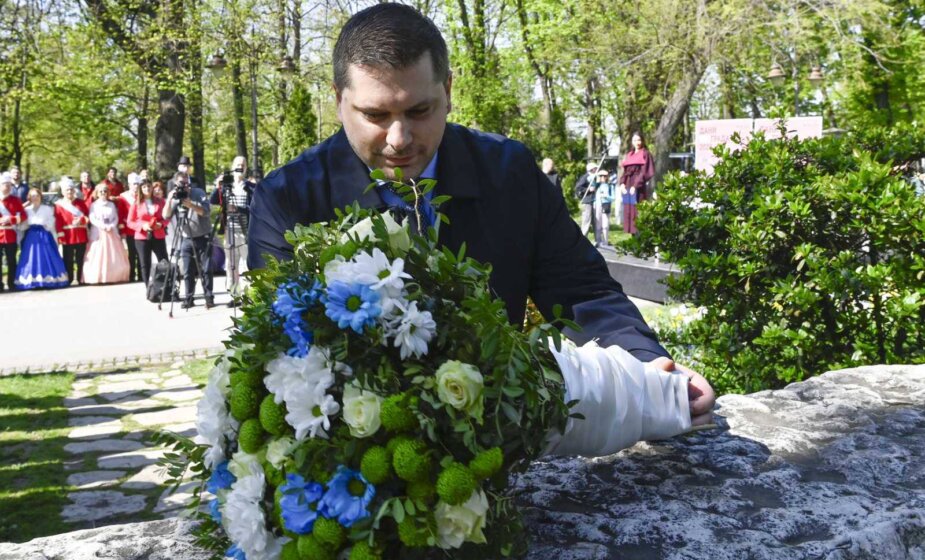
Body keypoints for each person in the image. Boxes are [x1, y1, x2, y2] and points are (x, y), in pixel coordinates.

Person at [247, 4, 714, 427]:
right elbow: (290, 350)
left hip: (499, 435)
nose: (399, 138)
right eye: (375, 114)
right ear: (338, 100)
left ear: (448, 90)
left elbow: (582, 291)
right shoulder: (288, 201)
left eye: (419, 110)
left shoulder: (509, 172)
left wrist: (646, 364)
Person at [163, 172, 213, 308]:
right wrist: (169, 199)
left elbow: (206, 212)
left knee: (206, 269)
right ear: (175, 184)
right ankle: (189, 298)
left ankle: (209, 298)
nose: (184, 186)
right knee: (187, 270)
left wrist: (190, 205)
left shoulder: (199, 192)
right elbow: (165, 215)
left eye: (186, 183)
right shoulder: (175, 196)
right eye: (181, 183)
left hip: (203, 236)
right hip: (186, 238)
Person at [211, 156, 254, 305]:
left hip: (246, 231)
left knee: (248, 265)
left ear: (246, 167)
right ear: (233, 166)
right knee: (231, 265)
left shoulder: (250, 187)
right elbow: (213, 200)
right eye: (237, 164)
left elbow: (255, 208)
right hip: (230, 231)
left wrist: (239, 209)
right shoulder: (226, 187)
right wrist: (218, 184)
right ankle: (235, 296)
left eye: (243, 165)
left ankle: (250, 296)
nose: (240, 167)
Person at [15, 188, 69, 290]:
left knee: (47, 256)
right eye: (33, 196)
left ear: (41, 196)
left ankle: (49, 279)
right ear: (29, 198)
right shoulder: (26, 210)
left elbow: (51, 221)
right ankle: (32, 280)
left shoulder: (47, 209)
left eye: (37, 195)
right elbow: (23, 224)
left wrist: (44, 225)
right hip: (31, 236)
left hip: (44, 235)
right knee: (30, 257)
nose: (35, 198)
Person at [83, 183, 130, 284]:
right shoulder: (94, 205)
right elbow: (92, 218)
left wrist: (112, 225)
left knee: (114, 254)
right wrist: (102, 226)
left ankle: (114, 275)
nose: (103, 193)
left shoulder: (111, 204)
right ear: (97, 193)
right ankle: (98, 276)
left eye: (105, 191)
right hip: (98, 232)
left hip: (110, 231)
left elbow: (115, 217)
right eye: (101, 191)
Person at [128, 180, 168, 287]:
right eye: (144, 187)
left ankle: (166, 286)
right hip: (142, 237)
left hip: (158, 234)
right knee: (145, 264)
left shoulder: (160, 201)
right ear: (141, 189)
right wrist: (142, 226)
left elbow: (167, 216)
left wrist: (162, 224)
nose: (147, 189)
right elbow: (130, 222)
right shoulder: (136, 203)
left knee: (164, 261)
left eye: (149, 186)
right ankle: (149, 288)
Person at [54, 177, 91, 285]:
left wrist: (82, 220)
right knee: (68, 259)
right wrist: (61, 236)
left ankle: (81, 278)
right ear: (63, 192)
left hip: (80, 234)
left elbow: (88, 217)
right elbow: (58, 222)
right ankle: (69, 279)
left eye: (71, 189)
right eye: (67, 190)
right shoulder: (58, 205)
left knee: (81, 259)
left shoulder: (80, 203)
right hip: (68, 236)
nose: (69, 192)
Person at [620, 132, 655, 235]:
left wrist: (635, 186)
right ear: (632, 142)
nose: (637, 142)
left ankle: (640, 237)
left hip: (638, 187)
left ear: (643, 141)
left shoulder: (645, 153)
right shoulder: (629, 154)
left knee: (637, 211)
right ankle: (633, 237)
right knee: (629, 211)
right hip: (628, 186)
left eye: (639, 140)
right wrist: (622, 183)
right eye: (635, 140)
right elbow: (625, 171)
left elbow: (645, 172)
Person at [0, 172, 27, 292]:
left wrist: (11, 219)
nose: (7, 187)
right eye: (5, 184)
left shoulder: (15, 200)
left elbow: (23, 215)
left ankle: (12, 283)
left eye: (9, 185)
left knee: (12, 260)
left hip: (11, 235)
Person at [118, 174, 142, 282]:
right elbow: (121, 214)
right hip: (129, 229)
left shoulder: (142, 196)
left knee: (141, 253)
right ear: (129, 185)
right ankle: (131, 275)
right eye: (134, 184)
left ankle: (142, 275)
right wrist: (122, 231)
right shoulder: (123, 197)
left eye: (138, 184)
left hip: (141, 229)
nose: (136, 186)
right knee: (131, 254)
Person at [574, 162, 598, 237]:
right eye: (595, 168)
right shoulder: (585, 177)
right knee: (586, 220)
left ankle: (598, 239)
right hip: (587, 201)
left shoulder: (595, 176)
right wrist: (588, 189)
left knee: (596, 221)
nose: (597, 169)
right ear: (592, 169)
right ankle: (583, 238)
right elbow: (578, 187)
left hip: (595, 201)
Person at [592, 169, 614, 247]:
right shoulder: (596, 185)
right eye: (601, 176)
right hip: (597, 205)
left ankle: (605, 241)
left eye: (604, 176)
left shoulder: (610, 185)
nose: (602, 177)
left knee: (605, 224)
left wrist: (606, 196)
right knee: (598, 224)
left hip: (605, 205)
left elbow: (613, 198)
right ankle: (598, 240)